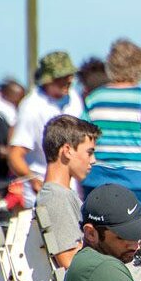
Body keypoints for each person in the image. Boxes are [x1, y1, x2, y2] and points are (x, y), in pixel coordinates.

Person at [80, 39, 141, 214]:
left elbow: (82, 137)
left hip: (97, 179)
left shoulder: (94, 99)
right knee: (137, 238)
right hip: (138, 181)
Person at [8, 51, 84, 207]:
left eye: (70, 75)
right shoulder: (31, 107)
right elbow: (15, 154)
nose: (68, 80)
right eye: (61, 77)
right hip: (43, 194)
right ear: (47, 80)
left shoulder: (74, 98)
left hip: (73, 192)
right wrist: (33, 180)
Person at [35, 115, 101, 268]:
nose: (93, 160)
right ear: (67, 151)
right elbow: (70, 260)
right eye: (89, 153)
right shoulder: (55, 197)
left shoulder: (63, 194)